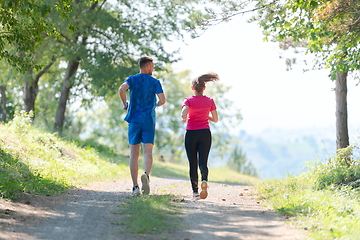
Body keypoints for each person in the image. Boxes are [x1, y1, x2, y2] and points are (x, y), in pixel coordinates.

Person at [118, 56, 166, 197]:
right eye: (153, 66)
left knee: (134, 154)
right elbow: (162, 100)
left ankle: (135, 187)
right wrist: (155, 105)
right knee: (147, 152)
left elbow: (122, 89)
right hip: (148, 121)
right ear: (148, 66)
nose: (153, 68)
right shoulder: (155, 82)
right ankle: (146, 174)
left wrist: (125, 104)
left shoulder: (132, 79)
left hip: (134, 120)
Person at [181, 73, 219, 200]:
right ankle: (204, 180)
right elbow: (215, 119)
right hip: (205, 133)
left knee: (193, 163)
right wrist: (205, 115)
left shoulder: (189, 100)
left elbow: (184, 113)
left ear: (193, 88)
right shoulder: (210, 101)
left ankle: (195, 192)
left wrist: (185, 117)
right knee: (203, 162)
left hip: (191, 133)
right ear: (204, 88)